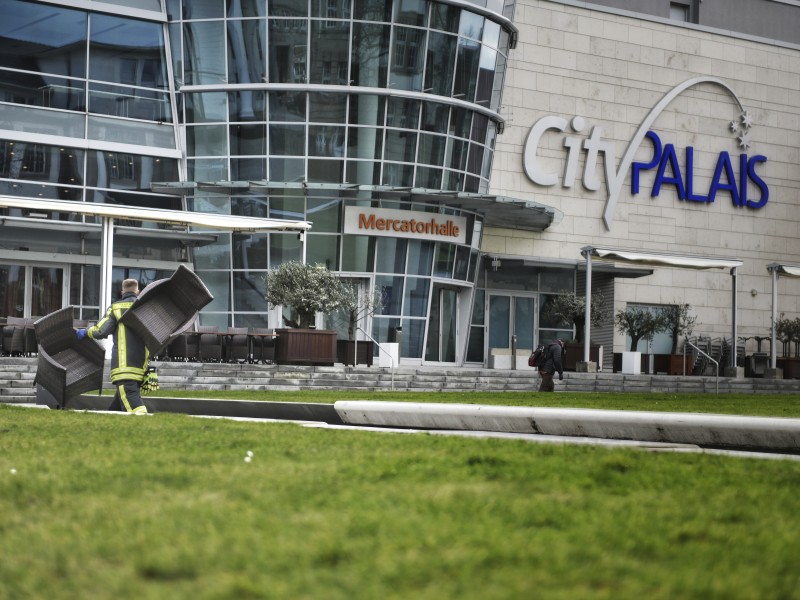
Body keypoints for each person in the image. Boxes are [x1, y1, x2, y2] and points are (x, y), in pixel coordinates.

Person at [77, 279, 149, 414]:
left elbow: (100, 331)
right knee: (117, 406)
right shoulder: (145, 308)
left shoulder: (116, 308)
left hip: (123, 366)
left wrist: (85, 332)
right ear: (137, 292)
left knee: (132, 403)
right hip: (141, 365)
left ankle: (146, 426)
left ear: (122, 292)